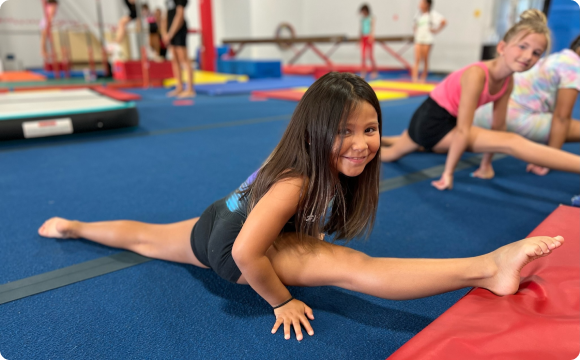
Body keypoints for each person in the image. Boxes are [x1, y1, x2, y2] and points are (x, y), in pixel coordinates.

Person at [38, 72, 565, 341]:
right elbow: (248, 252)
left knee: (144, 236)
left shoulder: (293, 153)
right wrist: (281, 301)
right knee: (355, 269)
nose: (361, 144)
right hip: (235, 245)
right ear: (316, 133)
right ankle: (489, 267)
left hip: (217, 217)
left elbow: (253, 220)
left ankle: (73, 225)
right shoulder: (297, 180)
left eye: (370, 130)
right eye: (344, 132)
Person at [381, 10, 580, 190]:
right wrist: (448, 173)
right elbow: (463, 130)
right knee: (512, 142)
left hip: (433, 119)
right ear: (502, 47)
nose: (528, 56)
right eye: (522, 46)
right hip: (432, 121)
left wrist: (486, 164)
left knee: (389, 154)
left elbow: (498, 126)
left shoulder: (507, 81)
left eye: (537, 53)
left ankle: (381, 141)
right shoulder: (477, 75)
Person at [472, 35, 580, 177]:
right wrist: (549, 160)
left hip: (484, 113)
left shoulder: (560, 57)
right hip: (514, 117)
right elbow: (561, 118)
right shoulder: (573, 66)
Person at [162, 0, 195, 98]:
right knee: (175, 60)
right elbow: (166, 16)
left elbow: (180, 15)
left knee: (183, 59)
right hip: (169, 30)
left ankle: (190, 89)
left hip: (179, 29)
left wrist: (171, 34)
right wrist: (164, 33)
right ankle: (179, 87)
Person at [412, 0, 446, 83]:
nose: (420, 4)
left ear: (427, 4)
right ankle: (414, 77)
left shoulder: (432, 14)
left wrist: (436, 30)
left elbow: (444, 21)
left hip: (427, 39)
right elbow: (415, 25)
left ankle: (423, 77)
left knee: (425, 59)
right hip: (418, 38)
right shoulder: (418, 15)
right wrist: (415, 30)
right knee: (417, 58)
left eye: (422, 3)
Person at [359, 4, 378, 80]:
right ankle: (363, 72)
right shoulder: (362, 19)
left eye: (363, 11)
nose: (363, 13)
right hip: (363, 37)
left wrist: (372, 36)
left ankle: (374, 71)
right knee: (363, 56)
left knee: (370, 56)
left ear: (366, 10)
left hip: (369, 37)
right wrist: (359, 39)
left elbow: (372, 27)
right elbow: (361, 29)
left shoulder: (371, 17)